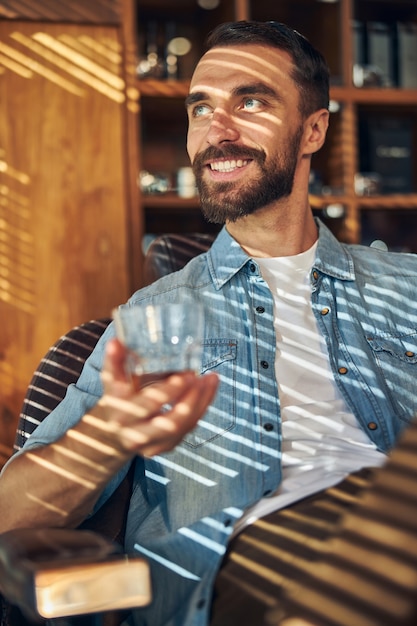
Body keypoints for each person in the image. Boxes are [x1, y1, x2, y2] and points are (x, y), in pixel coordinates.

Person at [1, 19, 417, 626]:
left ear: (314, 129)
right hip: (252, 577)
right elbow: (12, 517)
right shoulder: (151, 319)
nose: (217, 132)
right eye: (202, 108)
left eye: (250, 101)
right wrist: (110, 434)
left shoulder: (406, 287)